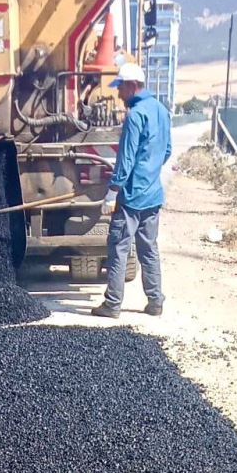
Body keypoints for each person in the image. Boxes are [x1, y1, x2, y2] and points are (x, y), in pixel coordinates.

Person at [92, 63, 172, 319]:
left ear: (131, 86)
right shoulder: (161, 110)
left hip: (131, 197)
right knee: (149, 249)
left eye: (120, 88)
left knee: (119, 248)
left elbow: (125, 160)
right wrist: (150, 172)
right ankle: (155, 301)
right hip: (153, 194)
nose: (117, 95)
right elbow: (167, 150)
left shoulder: (135, 115)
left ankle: (112, 305)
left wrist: (113, 191)